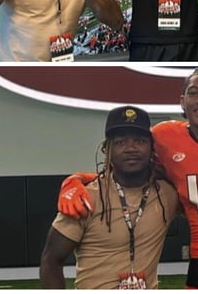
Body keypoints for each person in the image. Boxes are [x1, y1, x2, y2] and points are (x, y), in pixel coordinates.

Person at [58, 67, 198, 289]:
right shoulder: (165, 139)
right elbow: (132, 173)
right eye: (193, 92)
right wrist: (77, 179)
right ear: (182, 102)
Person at [40, 105, 179, 289]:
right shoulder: (86, 197)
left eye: (139, 141)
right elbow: (51, 259)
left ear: (152, 148)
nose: (131, 148)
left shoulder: (168, 194)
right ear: (107, 149)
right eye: (120, 142)